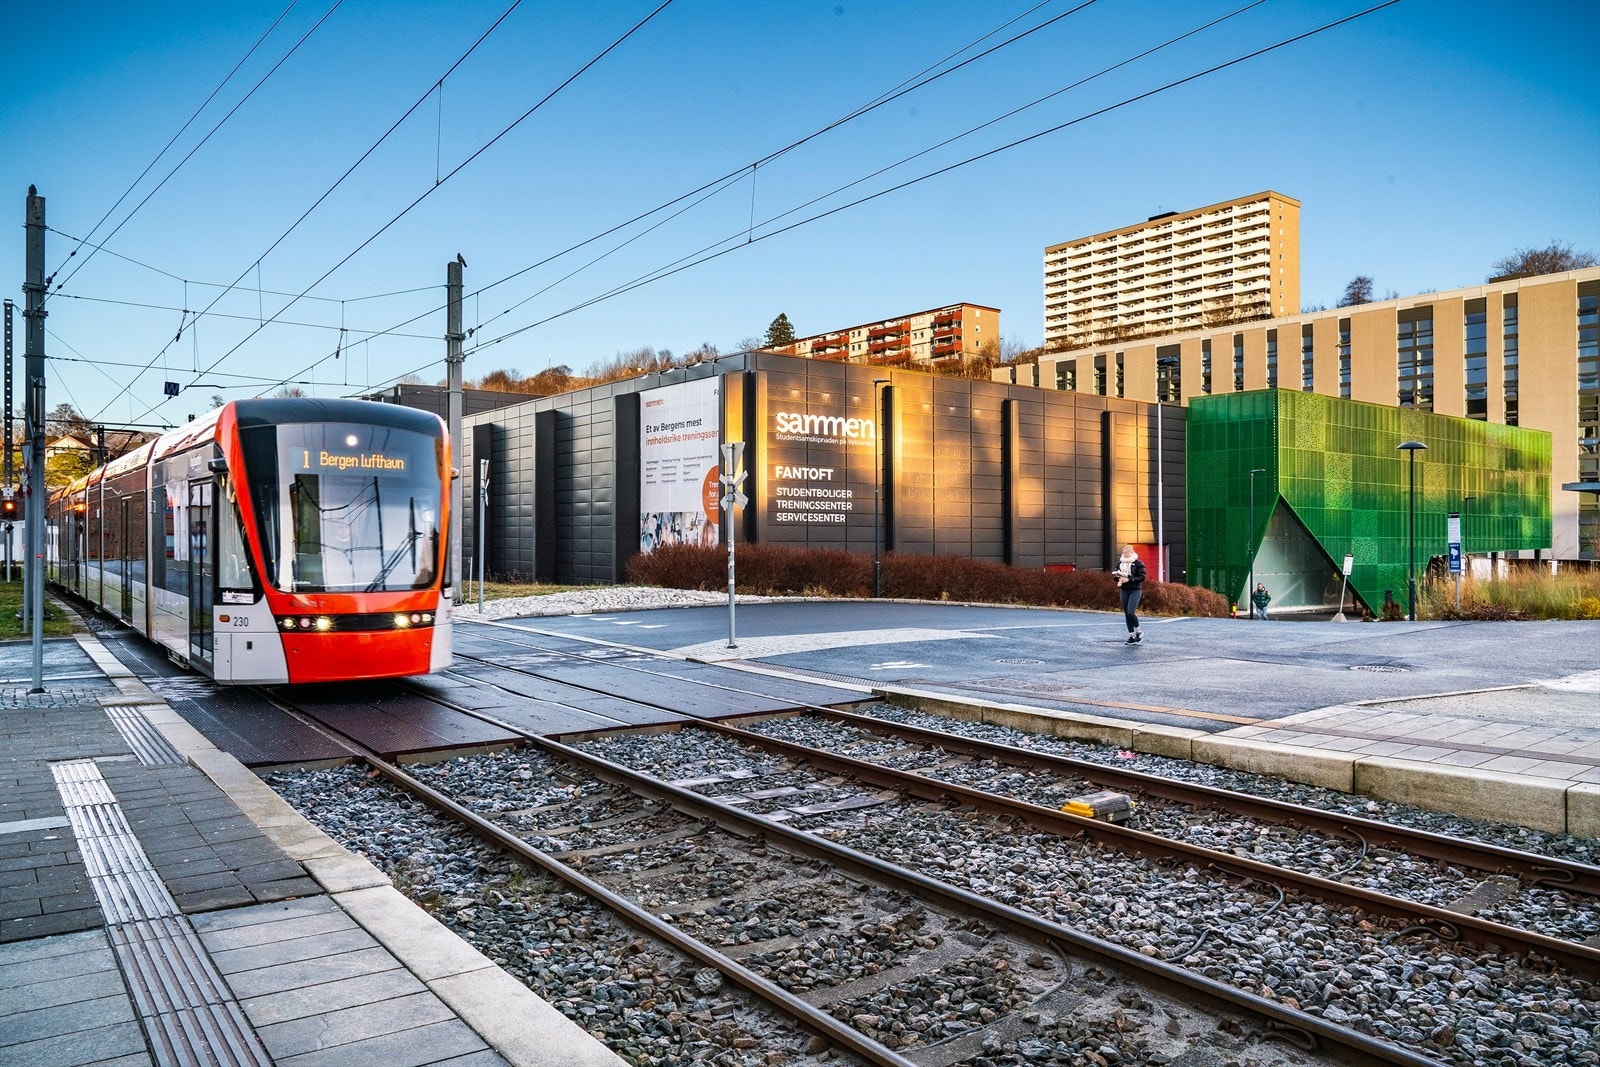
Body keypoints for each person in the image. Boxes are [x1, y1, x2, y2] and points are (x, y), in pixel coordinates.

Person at [1114, 544, 1145, 643]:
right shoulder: (1120, 563)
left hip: (1135, 590)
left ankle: (1139, 631)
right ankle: (1131, 635)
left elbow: (1142, 577)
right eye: (1123, 553)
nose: (1125, 555)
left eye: (1126, 553)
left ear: (1131, 553)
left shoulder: (1138, 563)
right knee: (1127, 613)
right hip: (1124, 589)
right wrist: (1117, 577)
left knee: (1131, 612)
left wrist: (1129, 579)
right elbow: (1115, 574)